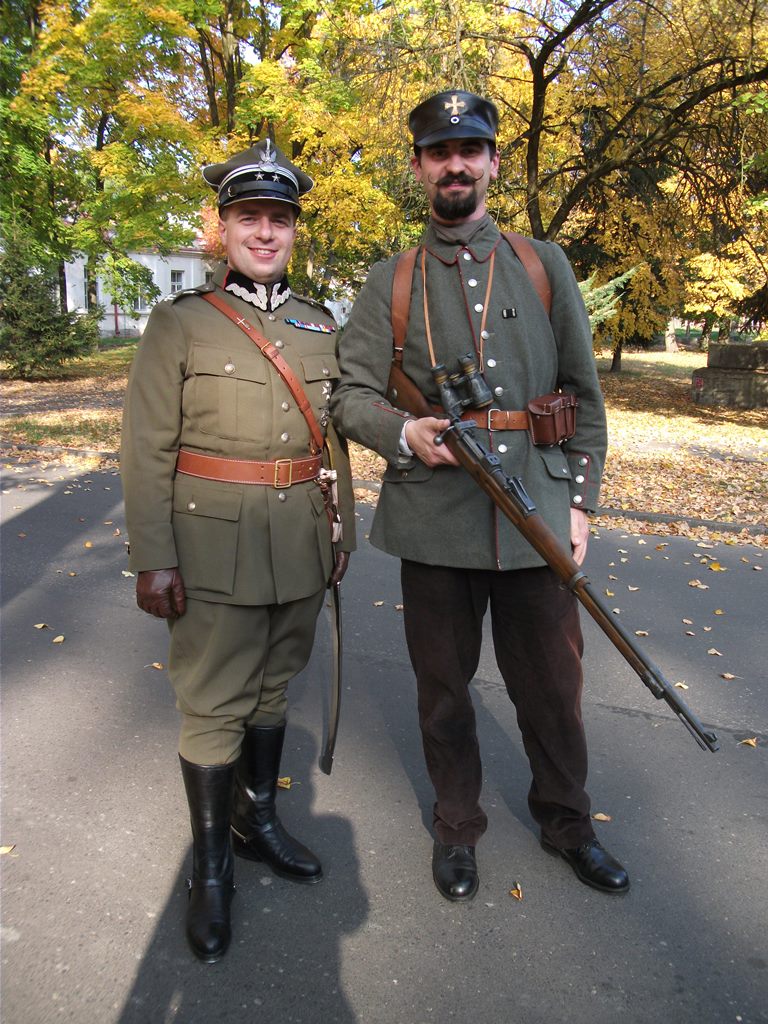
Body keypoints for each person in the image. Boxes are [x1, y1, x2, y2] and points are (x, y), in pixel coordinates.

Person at [331, 90, 628, 902]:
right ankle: (457, 827)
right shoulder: (391, 280)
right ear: (418, 167)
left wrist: (580, 503)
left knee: (554, 691)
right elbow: (348, 394)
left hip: (537, 512)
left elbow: (583, 394)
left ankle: (568, 823)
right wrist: (404, 432)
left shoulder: (542, 264)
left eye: (470, 150)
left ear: (493, 162)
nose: (455, 165)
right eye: (439, 152)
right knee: (442, 694)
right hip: (434, 522)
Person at [121, 139, 355, 962]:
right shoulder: (180, 323)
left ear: (293, 231)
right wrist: (153, 556)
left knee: (272, 688)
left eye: (278, 219)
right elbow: (146, 447)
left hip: (299, 544)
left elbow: (332, 443)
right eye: (248, 216)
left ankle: (259, 820)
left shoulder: (320, 325)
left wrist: (340, 532)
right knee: (214, 702)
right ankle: (212, 868)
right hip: (209, 548)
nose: (264, 232)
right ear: (222, 227)